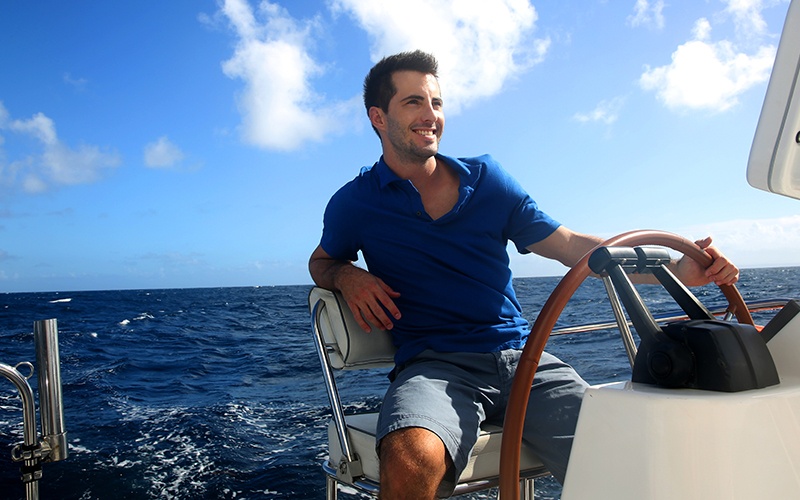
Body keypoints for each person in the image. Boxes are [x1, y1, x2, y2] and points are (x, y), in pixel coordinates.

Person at [309, 50, 739, 499]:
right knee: (411, 458)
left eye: (436, 103)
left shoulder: (488, 180)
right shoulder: (355, 203)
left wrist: (679, 268)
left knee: (631, 457)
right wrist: (346, 276)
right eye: (413, 102)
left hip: (525, 361)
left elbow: (570, 246)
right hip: (435, 367)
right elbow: (321, 262)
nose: (431, 115)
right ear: (378, 117)